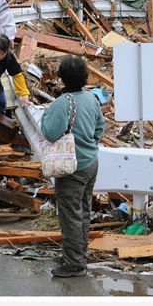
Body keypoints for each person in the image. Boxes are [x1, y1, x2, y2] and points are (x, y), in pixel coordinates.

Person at [39, 54, 105, 278]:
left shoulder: (62, 103)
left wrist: (45, 116)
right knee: (84, 212)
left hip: (71, 167)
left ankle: (74, 263)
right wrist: (90, 145)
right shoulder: (91, 99)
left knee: (70, 216)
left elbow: (49, 132)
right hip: (90, 164)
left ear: (63, 78)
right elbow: (100, 128)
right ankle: (78, 254)